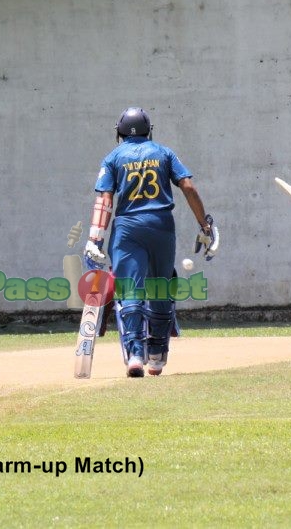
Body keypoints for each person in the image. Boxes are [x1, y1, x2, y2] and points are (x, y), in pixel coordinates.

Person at [84, 107, 218, 378]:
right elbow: (188, 187)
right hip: (161, 226)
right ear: (149, 130)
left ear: (119, 132)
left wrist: (94, 238)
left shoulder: (113, 157)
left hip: (128, 228)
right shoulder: (164, 152)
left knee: (130, 288)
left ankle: (135, 354)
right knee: (159, 287)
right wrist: (205, 225)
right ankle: (156, 356)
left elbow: (105, 200)